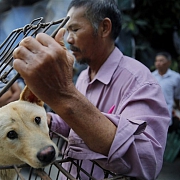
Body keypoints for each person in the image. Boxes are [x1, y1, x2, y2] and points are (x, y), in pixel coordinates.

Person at [12, 0, 170, 179]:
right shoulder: (84, 76)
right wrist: (49, 121)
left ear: (104, 28)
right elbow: (76, 123)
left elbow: (145, 161)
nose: (69, 38)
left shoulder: (139, 82)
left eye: (75, 29)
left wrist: (63, 94)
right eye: (67, 30)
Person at [152, 52, 180, 130]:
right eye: (156, 61)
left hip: (167, 112)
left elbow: (177, 96)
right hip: (153, 112)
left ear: (168, 63)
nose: (158, 63)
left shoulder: (176, 77)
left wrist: (177, 108)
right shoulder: (151, 76)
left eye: (161, 61)